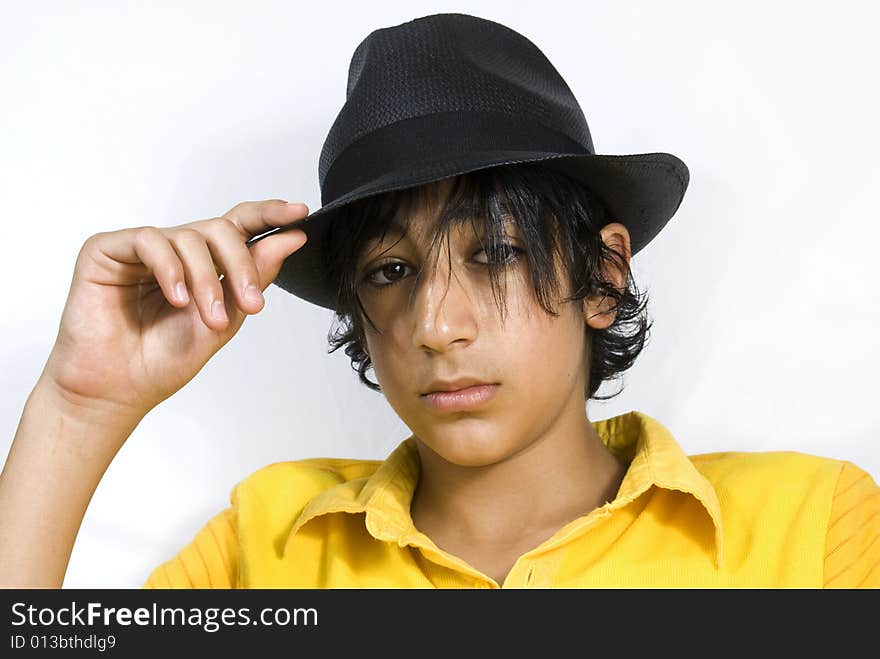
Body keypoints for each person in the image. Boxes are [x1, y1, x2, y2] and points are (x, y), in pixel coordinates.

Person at [2, 13, 878, 590]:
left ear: (603, 278)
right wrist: (80, 409)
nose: (435, 325)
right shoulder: (264, 546)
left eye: (496, 253)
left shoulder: (809, 527)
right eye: (390, 271)